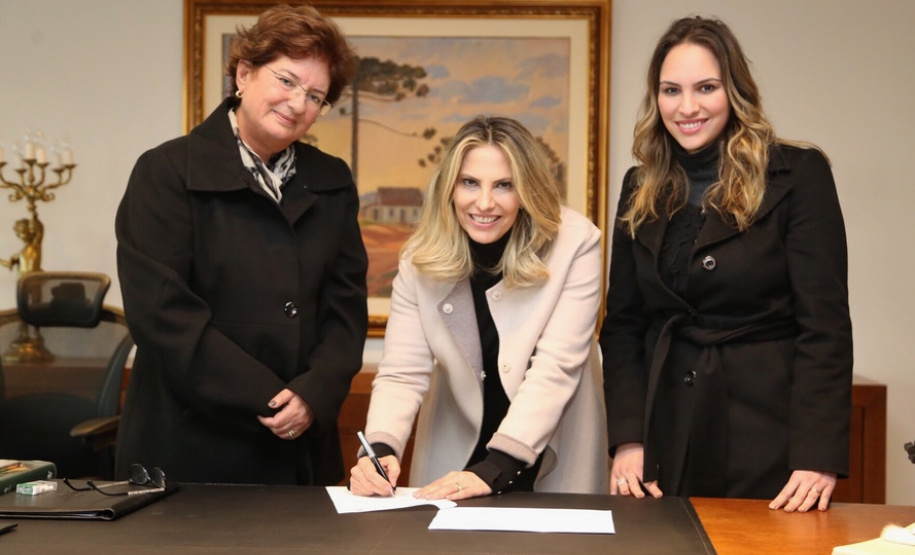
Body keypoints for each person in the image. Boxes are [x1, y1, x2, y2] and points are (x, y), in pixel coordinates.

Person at [600, 16, 852, 512]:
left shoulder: (799, 174)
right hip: (665, 427)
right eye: (671, 90)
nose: (687, 107)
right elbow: (624, 326)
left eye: (706, 88)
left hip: (770, 431)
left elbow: (824, 326)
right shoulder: (639, 185)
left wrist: (817, 453)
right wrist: (628, 438)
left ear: (734, 91)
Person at [114, 4, 367, 485]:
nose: (298, 104)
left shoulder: (331, 180)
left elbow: (345, 308)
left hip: (303, 446)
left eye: (316, 96)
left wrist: (313, 394)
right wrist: (270, 399)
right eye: (287, 81)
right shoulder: (166, 172)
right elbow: (163, 316)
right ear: (245, 73)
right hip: (191, 445)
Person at [349, 116, 607, 500]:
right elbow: (403, 372)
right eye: (470, 182)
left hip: (547, 452)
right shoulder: (419, 258)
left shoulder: (575, 242)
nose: (484, 203)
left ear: (528, 189)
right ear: (450, 186)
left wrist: (497, 466)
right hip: (458, 456)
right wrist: (380, 449)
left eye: (504, 185)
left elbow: (556, 367)